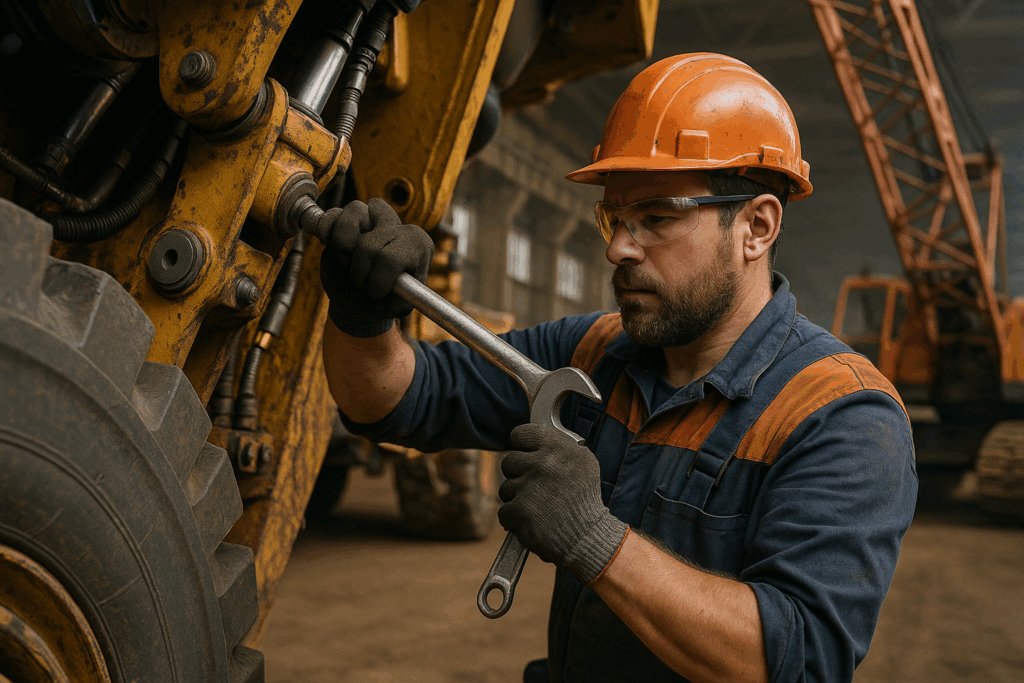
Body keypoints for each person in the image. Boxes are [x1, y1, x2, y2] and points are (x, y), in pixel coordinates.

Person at [318, 53, 918, 683]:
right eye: (614, 217)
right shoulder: (593, 354)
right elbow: (392, 400)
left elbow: (796, 661)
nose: (617, 248)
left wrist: (593, 537)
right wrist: (363, 316)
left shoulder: (841, 415)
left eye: (656, 217)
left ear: (756, 227)